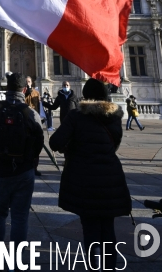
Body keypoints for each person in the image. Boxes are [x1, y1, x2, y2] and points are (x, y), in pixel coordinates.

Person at [49, 78, 131, 270]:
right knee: (108, 229)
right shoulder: (115, 117)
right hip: (110, 177)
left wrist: (72, 147)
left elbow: (55, 143)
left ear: (85, 95)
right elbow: (114, 145)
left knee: (91, 229)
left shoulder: (77, 116)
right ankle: (109, 267)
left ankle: (94, 267)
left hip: (84, 179)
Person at [0, 72, 44, 262]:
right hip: (23, 172)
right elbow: (39, 142)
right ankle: (16, 260)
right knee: (20, 217)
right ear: (24, 90)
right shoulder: (31, 113)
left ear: (6, 89)